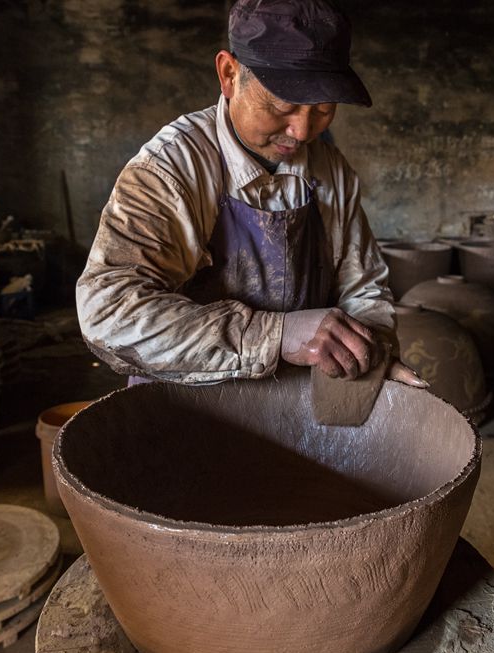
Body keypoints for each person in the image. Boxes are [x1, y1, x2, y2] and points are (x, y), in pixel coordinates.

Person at [76, 0, 423, 388]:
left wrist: (370, 352)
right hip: (181, 409)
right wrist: (276, 335)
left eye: (324, 109)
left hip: (296, 410)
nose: (303, 131)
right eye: (282, 106)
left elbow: (362, 287)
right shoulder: (170, 169)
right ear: (228, 74)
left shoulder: (330, 170)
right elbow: (109, 315)